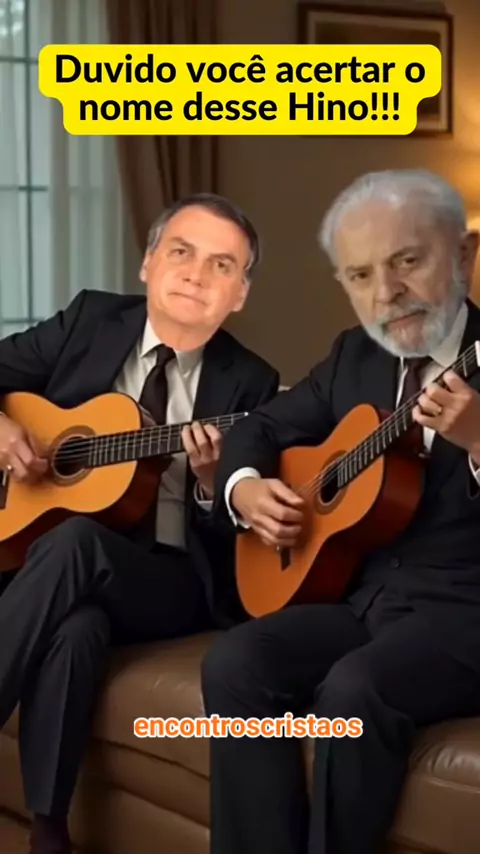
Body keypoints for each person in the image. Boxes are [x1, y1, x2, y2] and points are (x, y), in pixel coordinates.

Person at [201, 169, 480, 854]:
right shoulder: (355, 355)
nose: (387, 293)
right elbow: (260, 426)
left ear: (464, 254)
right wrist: (244, 488)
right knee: (235, 661)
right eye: (361, 275)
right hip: (366, 602)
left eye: (407, 261)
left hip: (465, 613)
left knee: (354, 690)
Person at [0, 192, 280, 854]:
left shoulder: (254, 387)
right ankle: (49, 830)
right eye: (181, 252)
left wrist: (214, 487)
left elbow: (248, 539)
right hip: (56, 565)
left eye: (221, 265)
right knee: (76, 628)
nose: (196, 275)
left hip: (170, 577)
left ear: (240, 294)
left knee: (75, 543)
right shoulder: (89, 320)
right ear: (148, 263)